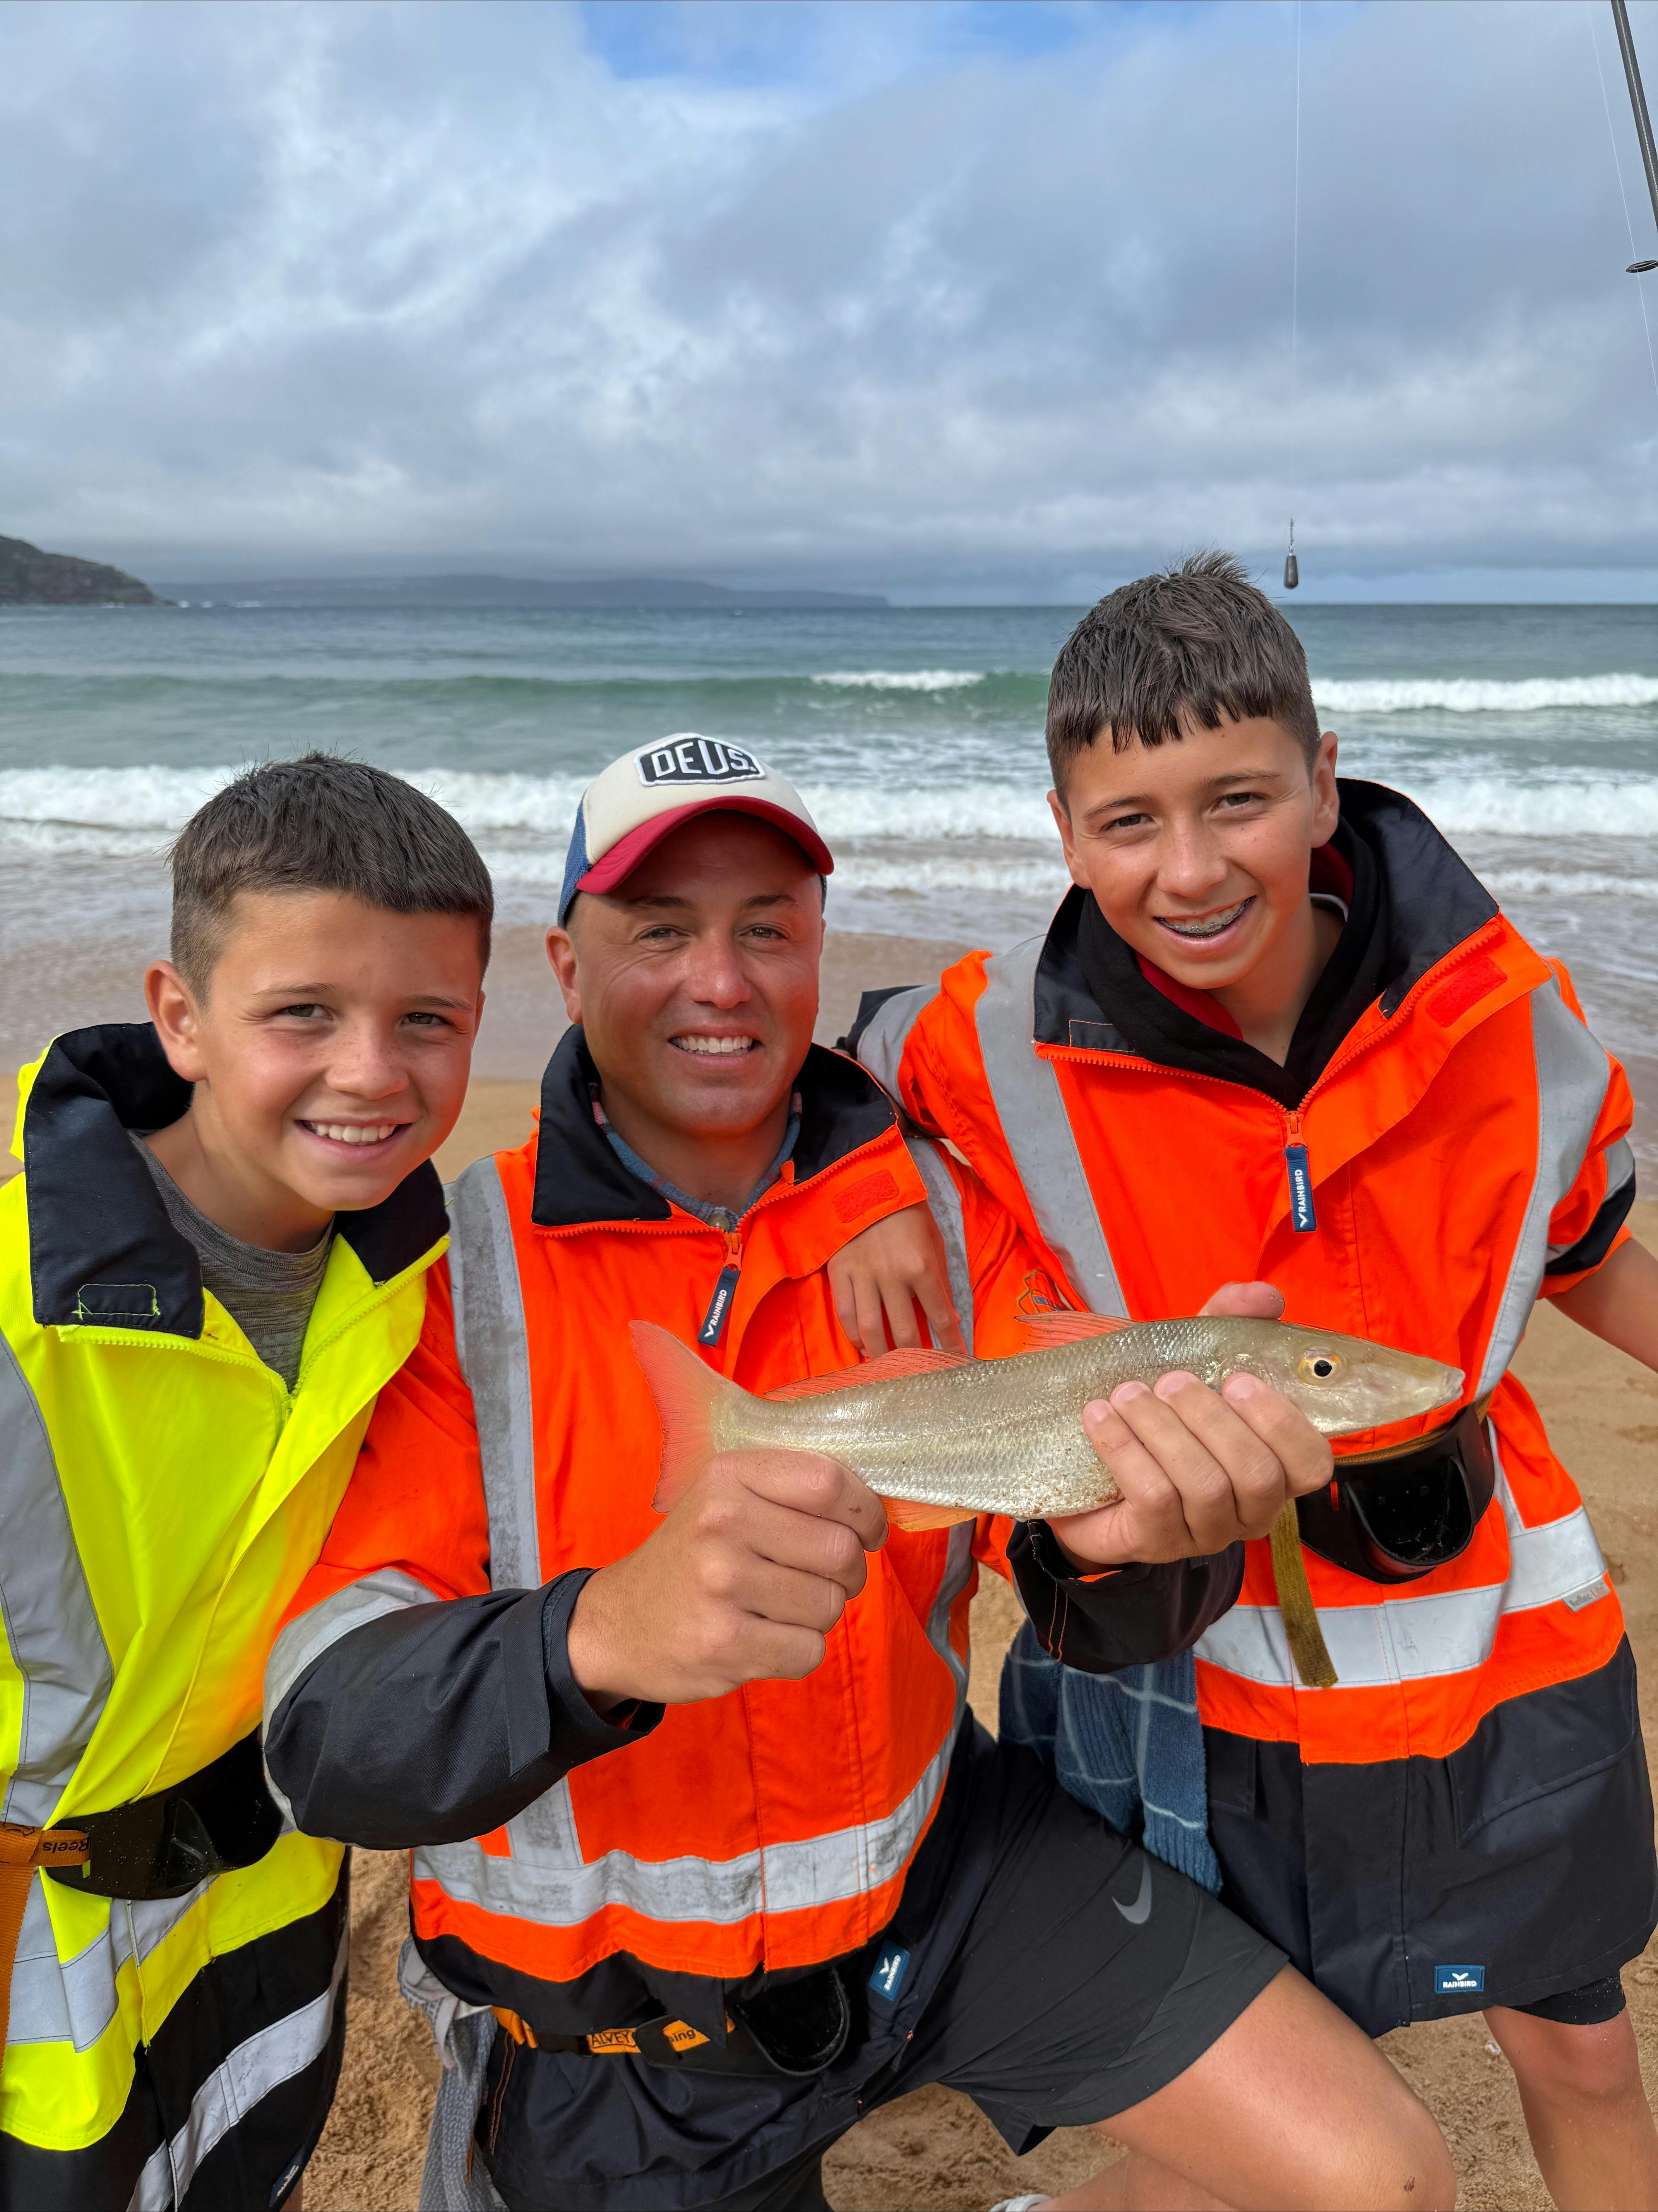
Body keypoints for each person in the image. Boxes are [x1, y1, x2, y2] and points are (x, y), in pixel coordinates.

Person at [261, 741, 1453, 2212]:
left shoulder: (943, 1215)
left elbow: (1089, 1591)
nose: (722, 979)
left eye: (768, 925)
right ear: (564, 967)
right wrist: (595, 1639)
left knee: (1373, 2179)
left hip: (933, 1884)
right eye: (661, 930)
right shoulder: (450, 1275)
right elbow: (326, 1737)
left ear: (819, 950)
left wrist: (1135, 1553)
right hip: (611, 2020)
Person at [852, 554, 1658, 2210]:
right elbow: (815, 1073)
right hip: (1199, 1667)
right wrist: (867, 1183)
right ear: (1066, 833)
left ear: (1323, 778)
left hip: (1498, 1634)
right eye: (1129, 822)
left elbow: (1580, 1253)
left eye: (1238, 800)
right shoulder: (989, 1043)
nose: (1192, 866)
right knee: (1281, 2109)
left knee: (1582, 2047)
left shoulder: (1519, 1027)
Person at [0, 755, 491, 2210]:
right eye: (303, 1016)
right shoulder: (26, 1305)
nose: (372, 1072)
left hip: (267, 1899)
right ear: (181, 1016)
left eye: (428, 1021)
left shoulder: (424, 1273)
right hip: (39, 1927)